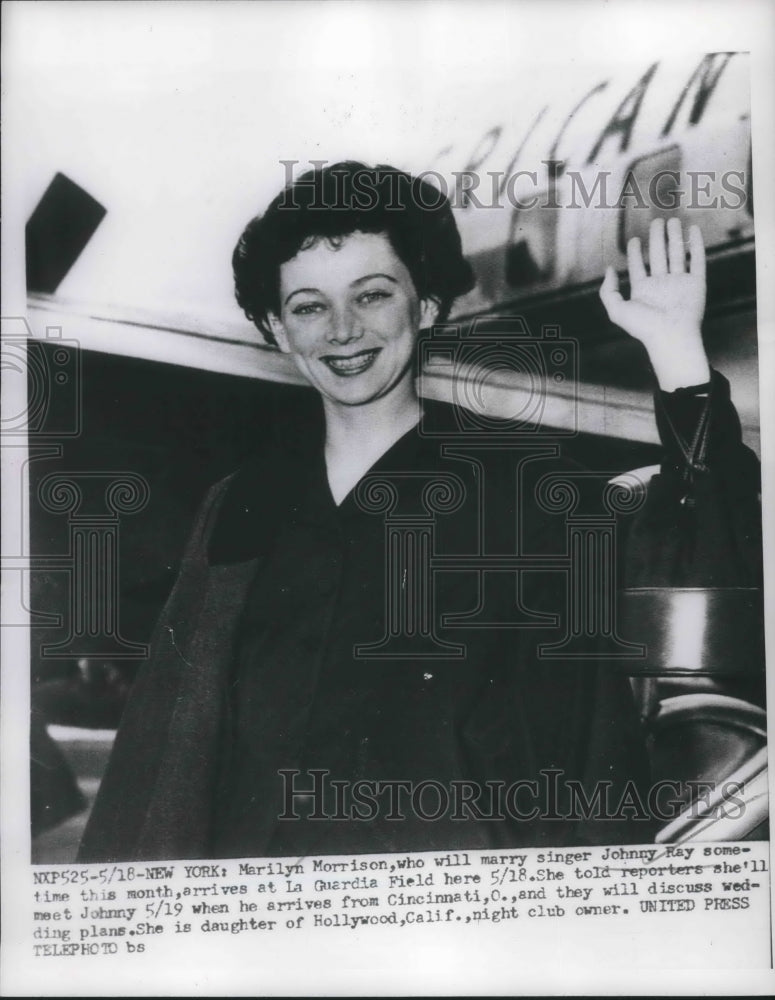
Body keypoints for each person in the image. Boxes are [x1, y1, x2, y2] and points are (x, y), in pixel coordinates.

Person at [77, 162, 761, 862]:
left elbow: (700, 572)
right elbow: (162, 761)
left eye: (372, 296)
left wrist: (677, 351)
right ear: (279, 330)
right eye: (309, 306)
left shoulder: (525, 493)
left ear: (427, 306)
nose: (343, 330)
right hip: (262, 917)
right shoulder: (241, 506)